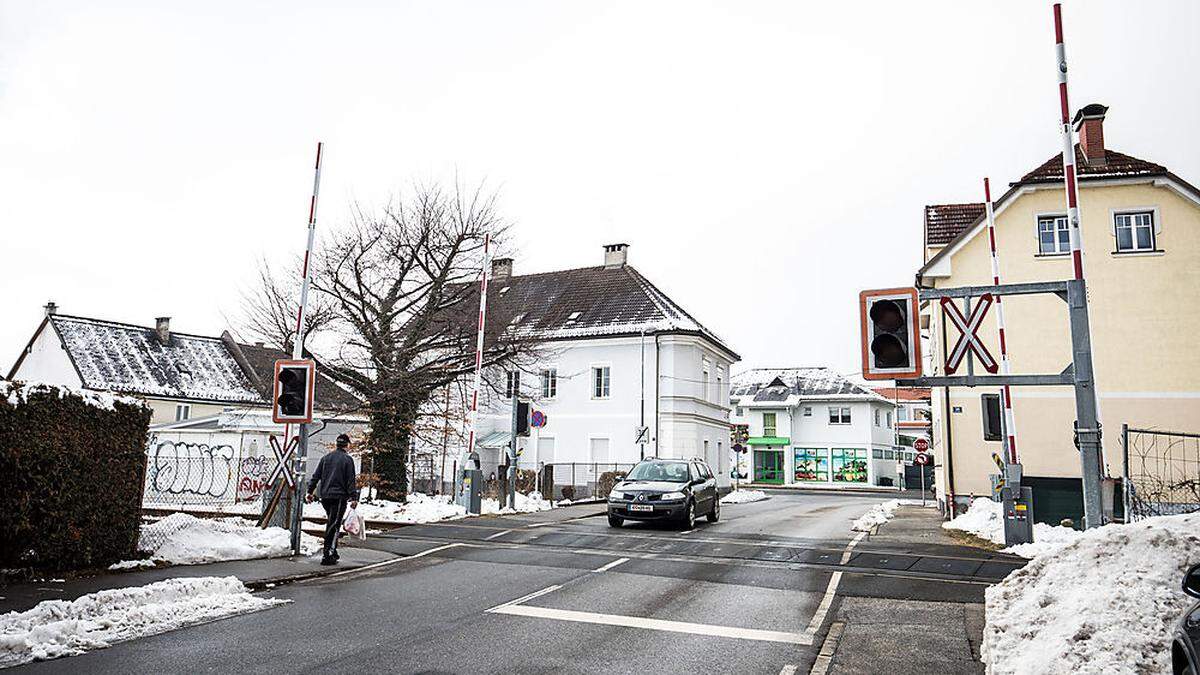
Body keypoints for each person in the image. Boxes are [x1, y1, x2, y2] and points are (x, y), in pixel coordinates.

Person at [305, 434, 359, 565]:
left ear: (337, 444)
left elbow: (315, 476)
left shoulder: (325, 458)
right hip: (339, 497)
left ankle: (332, 551)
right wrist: (353, 497)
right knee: (334, 525)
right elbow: (350, 480)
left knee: (332, 522)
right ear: (347, 445)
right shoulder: (347, 460)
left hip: (325, 497)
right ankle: (328, 554)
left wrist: (310, 491)